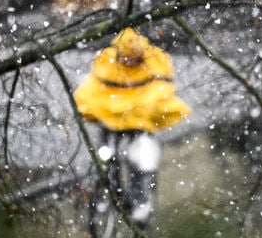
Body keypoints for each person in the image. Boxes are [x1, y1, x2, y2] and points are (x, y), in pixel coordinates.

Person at [73, 27, 191, 224]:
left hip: (139, 120)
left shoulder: (155, 61)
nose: (128, 62)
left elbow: (160, 89)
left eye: (133, 58)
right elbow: (94, 86)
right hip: (113, 117)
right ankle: (106, 183)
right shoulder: (107, 61)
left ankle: (141, 200)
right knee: (105, 153)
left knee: (140, 157)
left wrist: (141, 108)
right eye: (125, 58)